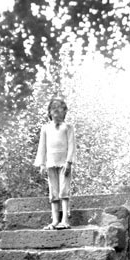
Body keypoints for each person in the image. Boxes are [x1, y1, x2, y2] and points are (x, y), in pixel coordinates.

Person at [33, 97, 75, 229]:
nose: (57, 114)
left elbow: (72, 146)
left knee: (64, 190)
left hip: (64, 164)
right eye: (54, 112)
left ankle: (65, 220)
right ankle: (55, 220)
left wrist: (69, 162)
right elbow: (42, 146)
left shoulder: (68, 127)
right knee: (54, 191)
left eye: (60, 111)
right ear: (50, 113)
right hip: (51, 163)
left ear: (64, 112)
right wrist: (42, 164)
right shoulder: (46, 128)